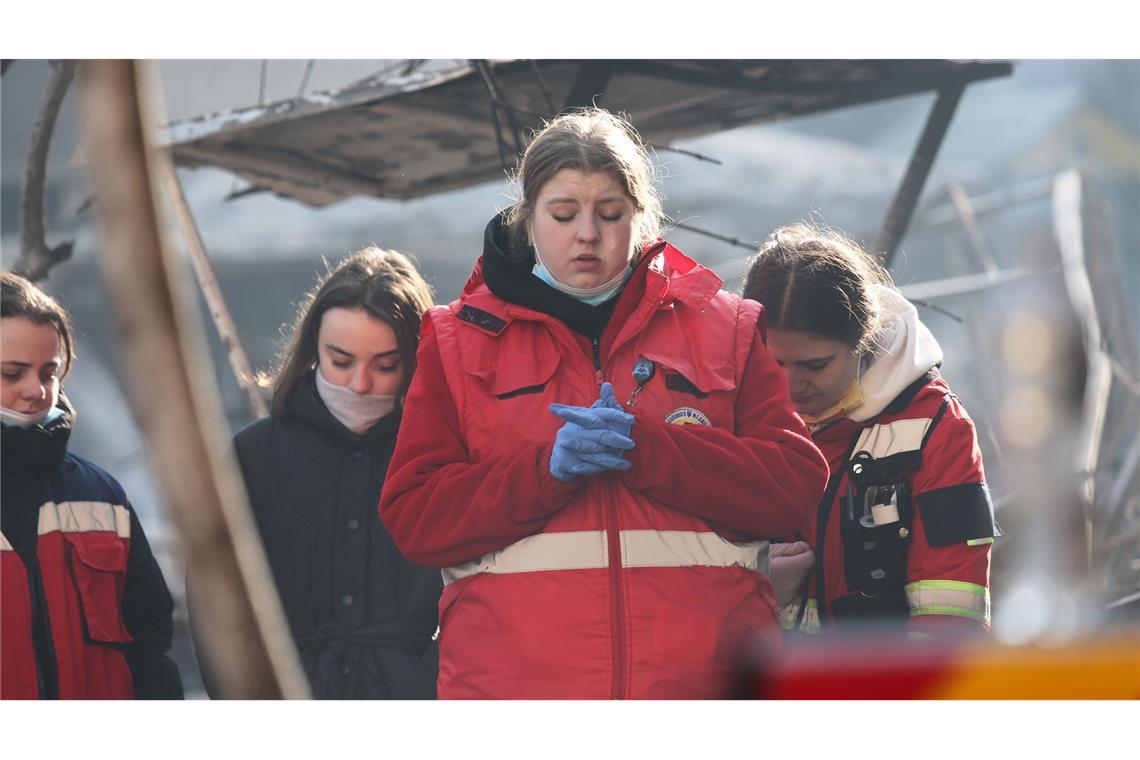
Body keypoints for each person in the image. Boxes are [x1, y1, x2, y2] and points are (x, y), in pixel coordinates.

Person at [379, 108, 829, 699]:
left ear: (642, 218)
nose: (586, 233)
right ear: (530, 218)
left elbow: (793, 488)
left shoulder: (732, 328)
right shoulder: (457, 341)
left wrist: (654, 451)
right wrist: (545, 472)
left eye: (610, 213)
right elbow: (415, 518)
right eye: (563, 214)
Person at [743, 224, 1000, 641]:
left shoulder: (934, 428)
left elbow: (949, 621)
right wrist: (757, 588)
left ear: (863, 341)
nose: (790, 388)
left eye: (815, 365)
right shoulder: (730, 414)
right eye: (774, 364)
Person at [220, 246, 441, 699]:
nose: (360, 384)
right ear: (312, 349)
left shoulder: (441, 456)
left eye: (385, 365)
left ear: (416, 361)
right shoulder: (254, 455)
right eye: (341, 361)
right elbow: (216, 604)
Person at [1, 271, 183, 699]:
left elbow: (151, 650)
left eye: (49, 373)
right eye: (12, 373)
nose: (37, 391)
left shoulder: (102, 498)